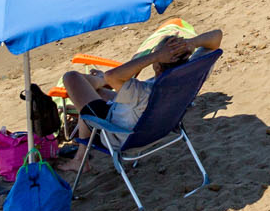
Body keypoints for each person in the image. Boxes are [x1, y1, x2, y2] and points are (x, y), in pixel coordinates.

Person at [62, 27, 222, 142]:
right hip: (161, 127)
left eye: (156, 55)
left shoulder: (142, 91)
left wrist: (155, 56)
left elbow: (112, 76)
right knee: (101, 90)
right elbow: (217, 35)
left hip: (119, 134)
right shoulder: (193, 74)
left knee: (71, 78)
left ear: (158, 66)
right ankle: (100, 80)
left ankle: (100, 79)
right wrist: (191, 43)